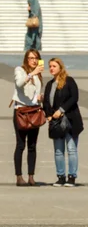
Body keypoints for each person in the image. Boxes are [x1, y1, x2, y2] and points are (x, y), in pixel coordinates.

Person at [43, 58, 84, 187]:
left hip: (71, 120)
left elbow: (74, 97)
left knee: (71, 149)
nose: (51, 68)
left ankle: (72, 177)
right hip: (56, 122)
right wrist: (49, 114)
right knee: (58, 151)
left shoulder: (69, 81)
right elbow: (46, 102)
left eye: (54, 66)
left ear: (60, 67)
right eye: (50, 66)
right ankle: (61, 177)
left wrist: (61, 110)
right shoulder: (49, 84)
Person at [11, 49, 44, 186]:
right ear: (26, 59)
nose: (34, 60)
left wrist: (39, 97)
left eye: (36, 58)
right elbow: (19, 84)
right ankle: (19, 176)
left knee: (32, 145)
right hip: (21, 111)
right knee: (20, 145)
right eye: (31, 58)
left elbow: (35, 91)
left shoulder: (38, 74)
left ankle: (31, 176)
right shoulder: (20, 70)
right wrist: (31, 74)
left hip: (34, 110)